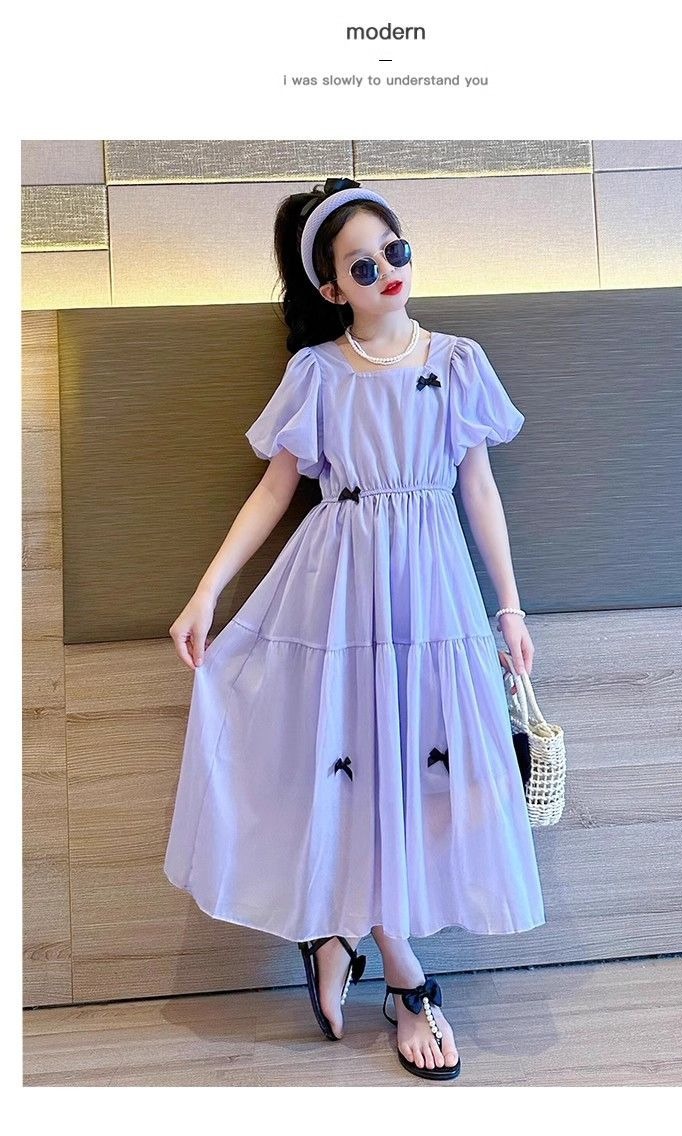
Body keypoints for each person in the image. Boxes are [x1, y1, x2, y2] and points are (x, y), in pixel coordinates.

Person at [164, 176, 546, 1082]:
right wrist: (207, 592)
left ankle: (340, 934)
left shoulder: (456, 360)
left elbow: (477, 489)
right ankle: (405, 978)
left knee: (427, 775)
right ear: (331, 287)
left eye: (395, 251)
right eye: (362, 266)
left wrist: (508, 606)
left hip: (433, 589)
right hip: (338, 590)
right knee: (357, 765)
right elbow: (275, 490)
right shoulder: (317, 373)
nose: (387, 272)